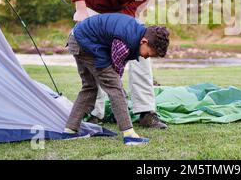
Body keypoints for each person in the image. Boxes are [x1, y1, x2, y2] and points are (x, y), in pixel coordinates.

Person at [69, 0, 181, 129]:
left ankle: (146, 111)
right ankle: (95, 113)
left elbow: (131, 10)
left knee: (144, 51)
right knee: (94, 57)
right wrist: (80, 10)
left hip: (119, 16)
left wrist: (119, 38)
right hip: (91, 9)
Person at [64, 13, 170, 145]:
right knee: (115, 89)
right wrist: (119, 91)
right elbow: (113, 75)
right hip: (84, 43)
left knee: (90, 87)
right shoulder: (125, 42)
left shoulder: (135, 35)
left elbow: (118, 66)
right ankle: (129, 134)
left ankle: (70, 130)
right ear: (144, 42)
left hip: (76, 38)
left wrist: (116, 84)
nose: (147, 57)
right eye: (148, 54)